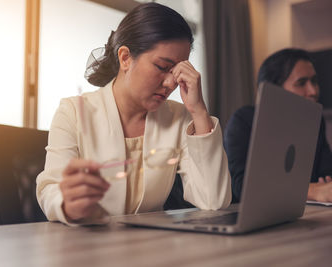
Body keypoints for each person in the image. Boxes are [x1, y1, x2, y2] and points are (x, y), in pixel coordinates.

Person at [37, 2, 231, 225]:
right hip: (89, 246)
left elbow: (214, 201)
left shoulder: (179, 118)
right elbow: (50, 190)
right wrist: (67, 204)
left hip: (150, 247)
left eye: (177, 72)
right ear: (125, 58)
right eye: (161, 66)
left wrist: (199, 111)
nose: (170, 83)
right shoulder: (72, 112)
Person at [224, 48, 332, 203]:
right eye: (301, 83)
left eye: (314, 81)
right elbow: (242, 188)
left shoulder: (316, 121)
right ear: (273, 89)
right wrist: (310, 191)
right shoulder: (244, 121)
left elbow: (326, 175)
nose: (313, 91)